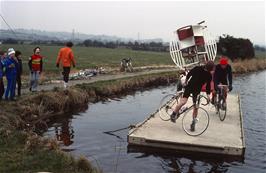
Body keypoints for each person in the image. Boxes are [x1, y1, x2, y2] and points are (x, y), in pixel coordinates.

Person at [170, 61, 215, 131]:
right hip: (189, 87)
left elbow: (208, 86)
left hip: (196, 91)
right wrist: (186, 81)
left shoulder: (208, 75)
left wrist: (208, 95)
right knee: (183, 102)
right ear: (211, 68)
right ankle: (173, 114)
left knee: (196, 107)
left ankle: (193, 124)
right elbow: (189, 74)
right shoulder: (198, 68)